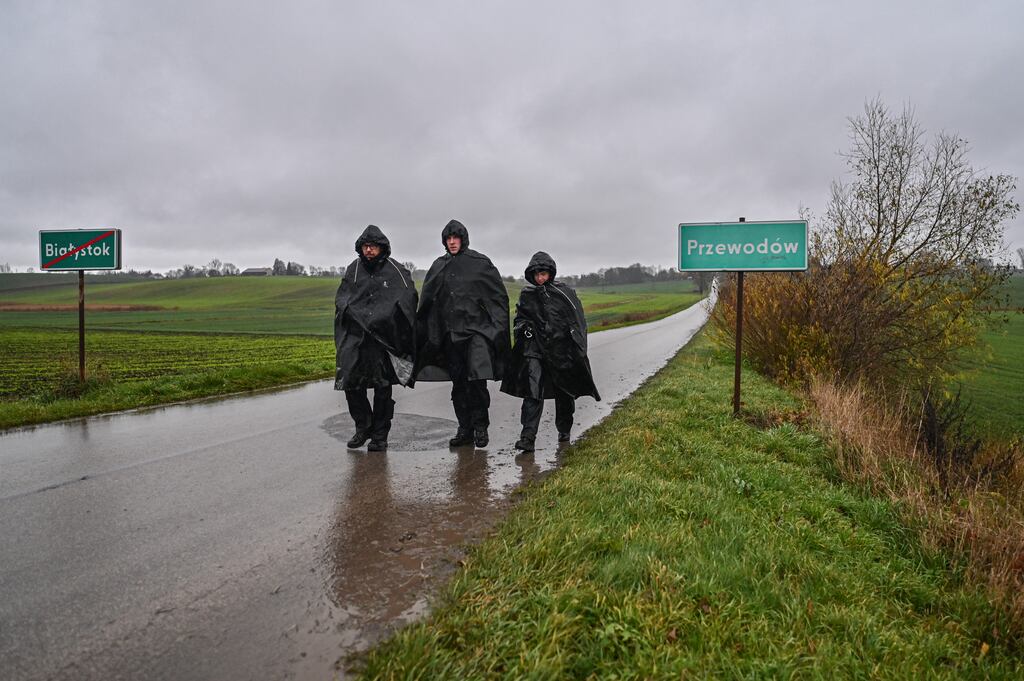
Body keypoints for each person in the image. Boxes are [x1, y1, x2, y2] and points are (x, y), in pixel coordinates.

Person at [415, 219, 510, 448]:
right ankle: (464, 428)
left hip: (476, 334)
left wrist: (495, 330)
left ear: (463, 239)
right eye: (448, 239)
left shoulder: (480, 263)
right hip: (450, 336)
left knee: (476, 381)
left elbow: (498, 299)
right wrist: (427, 333)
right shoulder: (439, 265)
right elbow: (427, 302)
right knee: (458, 385)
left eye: (455, 238)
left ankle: (480, 427)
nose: (452, 242)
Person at [500, 251, 600, 451]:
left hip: (560, 351)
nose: (540, 278)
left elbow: (577, 321)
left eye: (543, 274)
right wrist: (524, 329)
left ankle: (564, 429)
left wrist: (575, 346)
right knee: (532, 391)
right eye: (536, 274)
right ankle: (527, 437)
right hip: (535, 350)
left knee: (564, 392)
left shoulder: (564, 293)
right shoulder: (527, 295)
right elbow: (519, 319)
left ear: (550, 273)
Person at [334, 225, 418, 451]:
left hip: (383, 340)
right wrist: (350, 312)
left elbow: (407, 298)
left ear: (382, 247)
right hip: (357, 337)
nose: (368, 250)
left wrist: (388, 320)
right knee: (351, 383)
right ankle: (363, 427)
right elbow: (342, 297)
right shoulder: (354, 269)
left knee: (382, 387)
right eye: (365, 246)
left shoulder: (396, 270)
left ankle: (380, 435)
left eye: (372, 246)